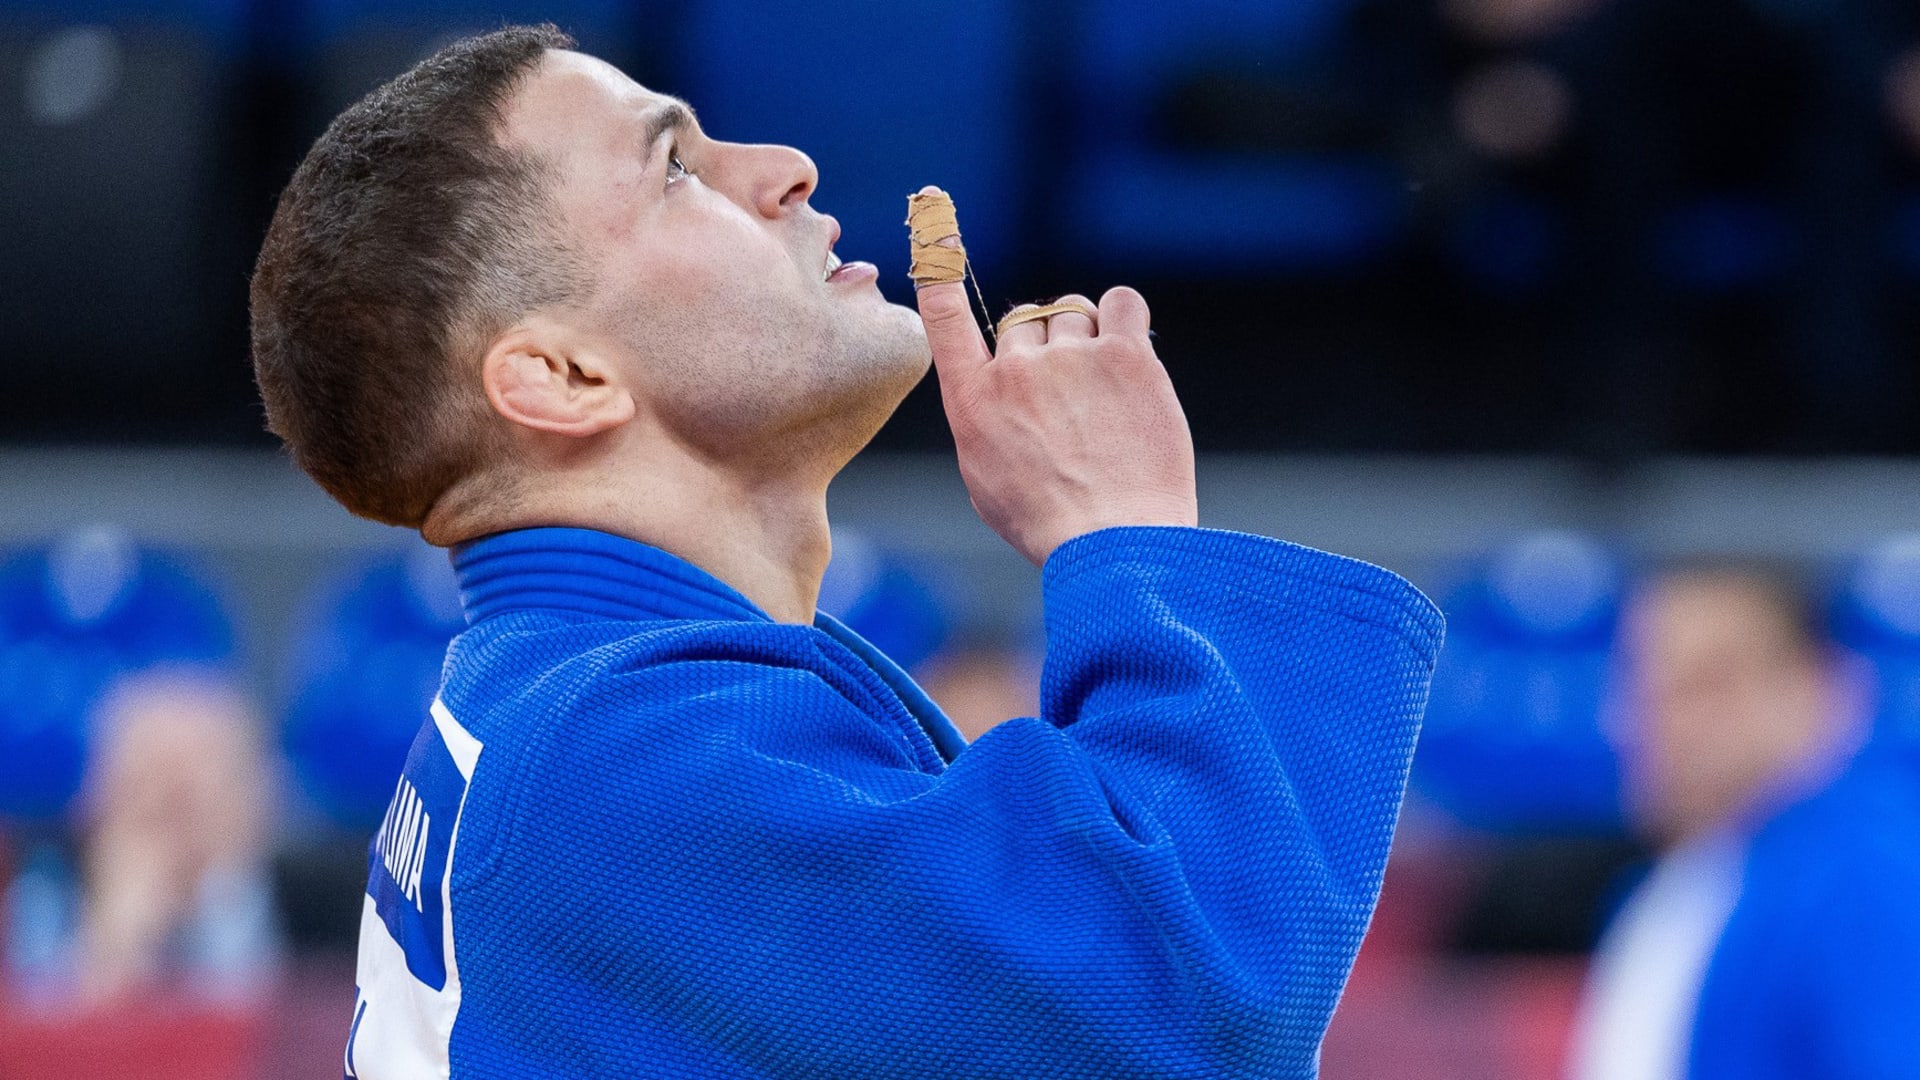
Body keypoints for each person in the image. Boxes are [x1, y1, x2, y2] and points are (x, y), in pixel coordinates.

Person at [248, 25, 1443, 1078]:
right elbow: (1192, 1016)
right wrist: (1123, 535)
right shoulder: (626, 755)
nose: (783, 169)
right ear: (562, 379)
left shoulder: (572, 714)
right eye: (676, 168)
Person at [1568, 564, 1920, 1079]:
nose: (1669, 721)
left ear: (1820, 687)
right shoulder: (1684, 882)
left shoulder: (1867, 874)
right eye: (1646, 683)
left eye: (1709, 685)